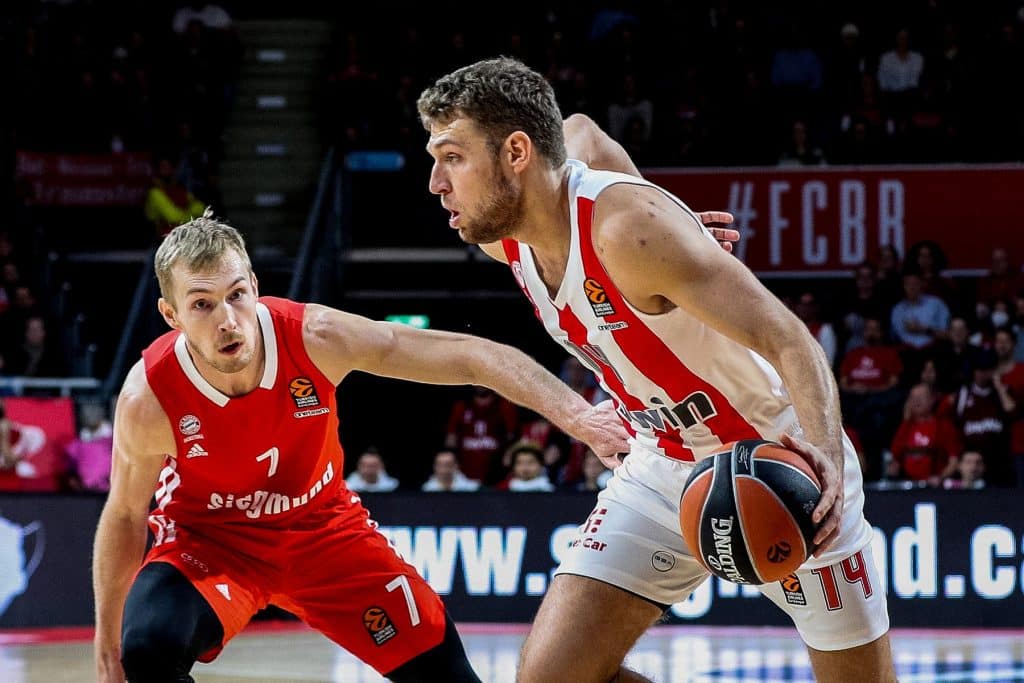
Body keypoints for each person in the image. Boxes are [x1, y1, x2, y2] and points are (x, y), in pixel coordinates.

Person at [417, 57, 894, 682]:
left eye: (452, 157)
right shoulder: (502, 228)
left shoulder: (628, 232)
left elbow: (790, 339)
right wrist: (670, 215)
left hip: (772, 455)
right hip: (661, 460)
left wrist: (823, 457)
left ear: (515, 153)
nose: (434, 182)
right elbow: (580, 129)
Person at [92, 210, 629, 683]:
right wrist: (104, 641)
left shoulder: (314, 337)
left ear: (254, 285)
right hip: (212, 542)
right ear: (172, 316)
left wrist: (579, 416)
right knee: (146, 649)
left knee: (446, 672)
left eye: (236, 294)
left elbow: (472, 355)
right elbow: (124, 515)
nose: (228, 320)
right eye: (203, 304)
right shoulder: (149, 396)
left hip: (325, 532)